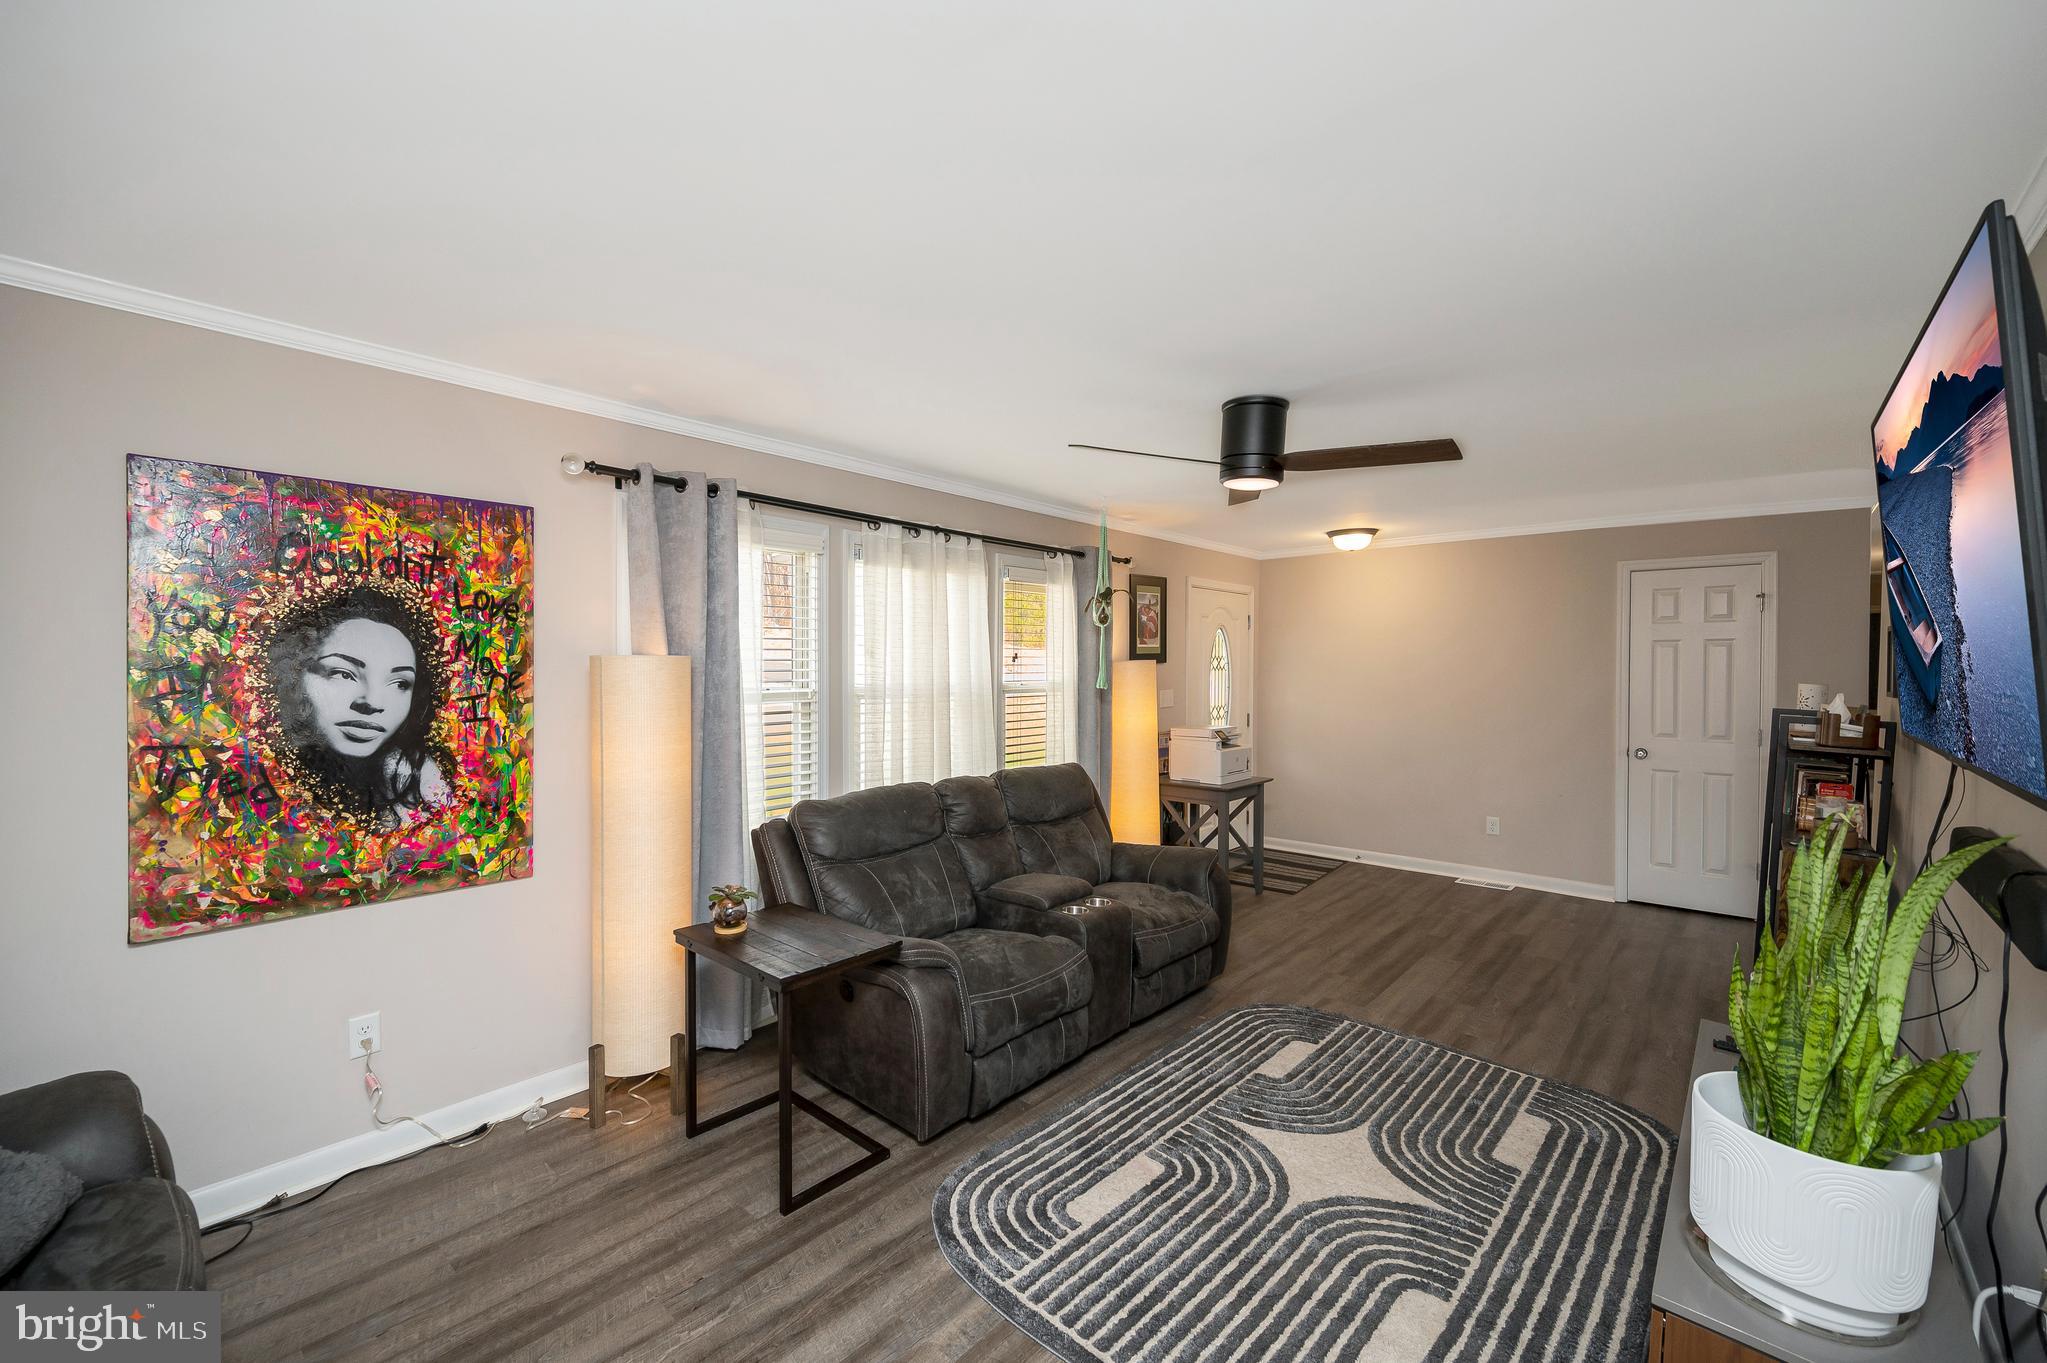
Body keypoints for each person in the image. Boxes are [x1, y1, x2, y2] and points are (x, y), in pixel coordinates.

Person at [262, 581, 453, 828]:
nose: (373, 702)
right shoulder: (265, 778)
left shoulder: (416, 780)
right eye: (343, 673)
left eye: (399, 683)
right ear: (294, 676)